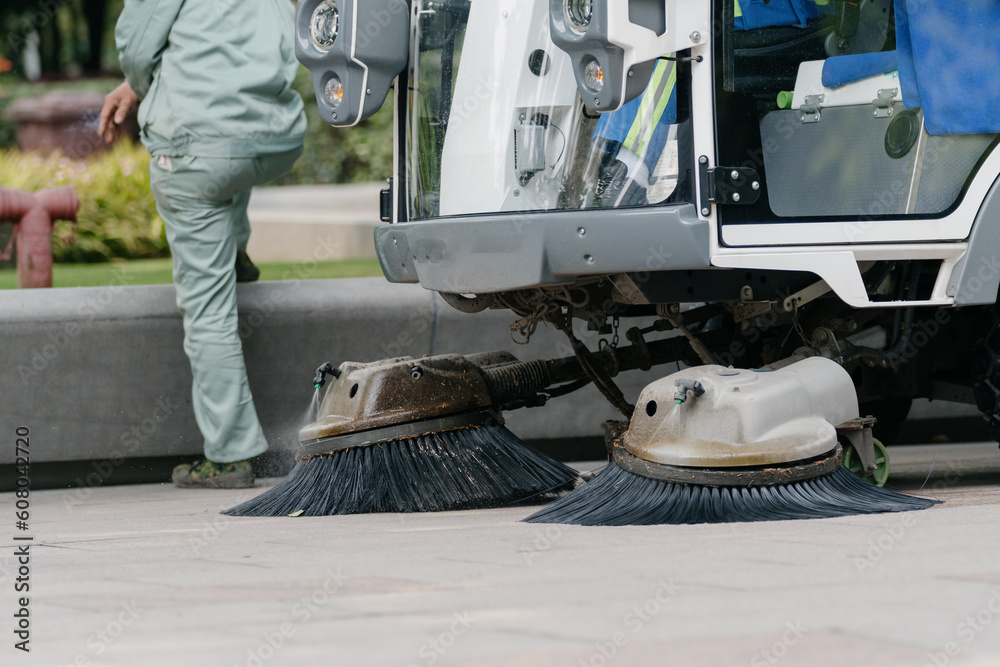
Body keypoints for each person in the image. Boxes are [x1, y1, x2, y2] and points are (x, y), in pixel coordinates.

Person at [99, 0, 307, 488]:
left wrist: (140, 82)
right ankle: (233, 248)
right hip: (273, 140)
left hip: (196, 149)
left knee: (208, 313)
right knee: (226, 166)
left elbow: (137, 46)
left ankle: (230, 455)